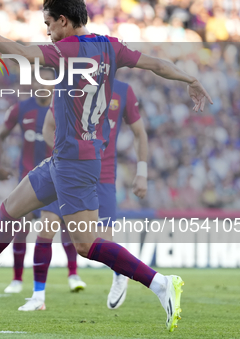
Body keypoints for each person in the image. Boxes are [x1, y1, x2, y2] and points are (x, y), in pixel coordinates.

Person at [0, 0, 212, 332]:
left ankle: (160, 282)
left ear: (64, 20)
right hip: (67, 157)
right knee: (11, 208)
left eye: (48, 23)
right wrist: (190, 78)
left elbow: (18, 52)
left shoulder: (68, 50)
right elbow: (155, 64)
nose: (47, 31)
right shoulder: (110, 45)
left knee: (86, 244)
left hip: (77, 161)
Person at [25, 79, 148, 312]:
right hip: (65, 170)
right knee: (47, 225)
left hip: (103, 175)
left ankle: (120, 272)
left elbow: (140, 132)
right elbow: (48, 128)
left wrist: (141, 172)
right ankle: (38, 295)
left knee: (100, 242)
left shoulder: (123, 90)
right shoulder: (71, 86)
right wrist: (63, 153)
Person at [0, 66, 85, 298]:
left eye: (48, 81)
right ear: (32, 84)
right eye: (39, 80)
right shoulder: (21, 109)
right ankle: (16, 279)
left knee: (61, 225)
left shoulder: (65, 108)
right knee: (21, 227)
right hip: (28, 178)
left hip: (56, 177)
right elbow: (0, 136)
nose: (43, 85)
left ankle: (72, 274)